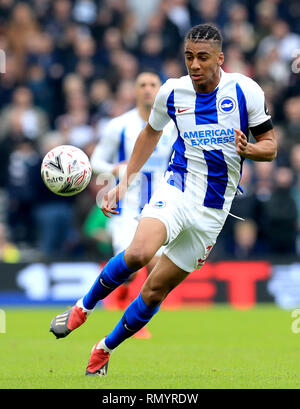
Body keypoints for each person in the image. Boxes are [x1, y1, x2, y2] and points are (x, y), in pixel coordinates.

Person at [49, 24, 277, 377]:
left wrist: (250, 149)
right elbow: (150, 135)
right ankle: (83, 307)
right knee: (139, 252)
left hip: (213, 211)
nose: (195, 65)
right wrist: (123, 184)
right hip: (177, 189)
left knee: (155, 291)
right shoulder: (172, 92)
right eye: (189, 57)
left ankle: (104, 349)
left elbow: (271, 146)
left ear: (220, 58)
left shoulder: (246, 91)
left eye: (202, 57)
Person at [89, 71, 175, 338]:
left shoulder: (172, 125)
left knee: (156, 267)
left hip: (160, 206)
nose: (148, 89)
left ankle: (134, 320)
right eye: (142, 85)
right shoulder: (119, 125)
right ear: (134, 91)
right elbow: (96, 162)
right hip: (126, 209)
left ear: (159, 90)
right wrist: (115, 168)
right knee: (129, 268)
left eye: (153, 85)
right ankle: (122, 304)